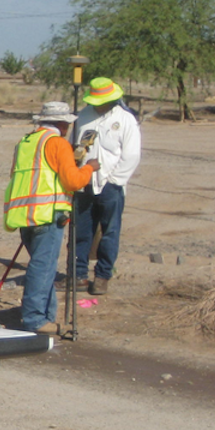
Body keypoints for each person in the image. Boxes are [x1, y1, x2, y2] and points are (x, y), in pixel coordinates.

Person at [3, 102, 99, 335]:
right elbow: (73, 182)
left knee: (42, 266)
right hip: (48, 215)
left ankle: (47, 316)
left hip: (23, 214)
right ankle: (35, 318)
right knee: (42, 268)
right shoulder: (57, 143)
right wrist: (89, 169)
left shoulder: (25, 142)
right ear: (62, 124)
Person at [72, 77, 141, 296]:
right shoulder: (83, 116)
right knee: (80, 232)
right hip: (84, 184)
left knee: (109, 233)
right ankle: (78, 275)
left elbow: (131, 155)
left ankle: (102, 276)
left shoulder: (125, 119)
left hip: (111, 186)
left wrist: (114, 181)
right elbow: (73, 148)